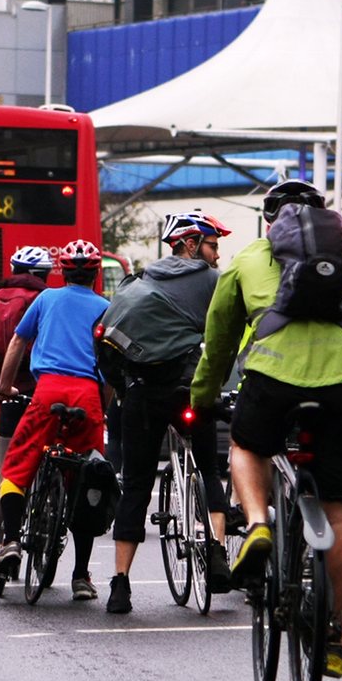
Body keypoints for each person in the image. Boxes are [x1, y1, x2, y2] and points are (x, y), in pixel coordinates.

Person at [190, 180, 342, 678]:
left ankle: (256, 524)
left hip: (272, 379)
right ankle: (334, 640)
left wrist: (203, 398)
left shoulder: (247, 258)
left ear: (269, 220)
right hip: (341, 384)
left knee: (247, 446)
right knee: (339, 516)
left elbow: (219, 339)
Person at [99, 211, 230, 615]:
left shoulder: (135, 282)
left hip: (143, 394)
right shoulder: (213, 282)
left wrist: (121, 390)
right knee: (209, 468)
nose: (217, 255)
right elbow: (227, 335)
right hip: (191, 391)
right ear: (190, 245)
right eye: (211, 246)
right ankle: (218, 553)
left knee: (137, 484)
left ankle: (120, 584)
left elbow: (106, 344)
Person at [0, 240, 114, 600]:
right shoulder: (107, 308)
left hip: (48, 391)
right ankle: (80, 576)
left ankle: (10, 541)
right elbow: (108, 365)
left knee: (16, 467)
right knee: (88, 476)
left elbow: (16, 343)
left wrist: (5, 386)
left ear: (63, 271)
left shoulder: (46, 300)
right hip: (87, 395)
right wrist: (101, 408)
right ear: (94, 274)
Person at [0, 246, 56, 584]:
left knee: (4, 474)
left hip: (9, 395)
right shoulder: (47, 298)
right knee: (53, 463)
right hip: (42, 392)